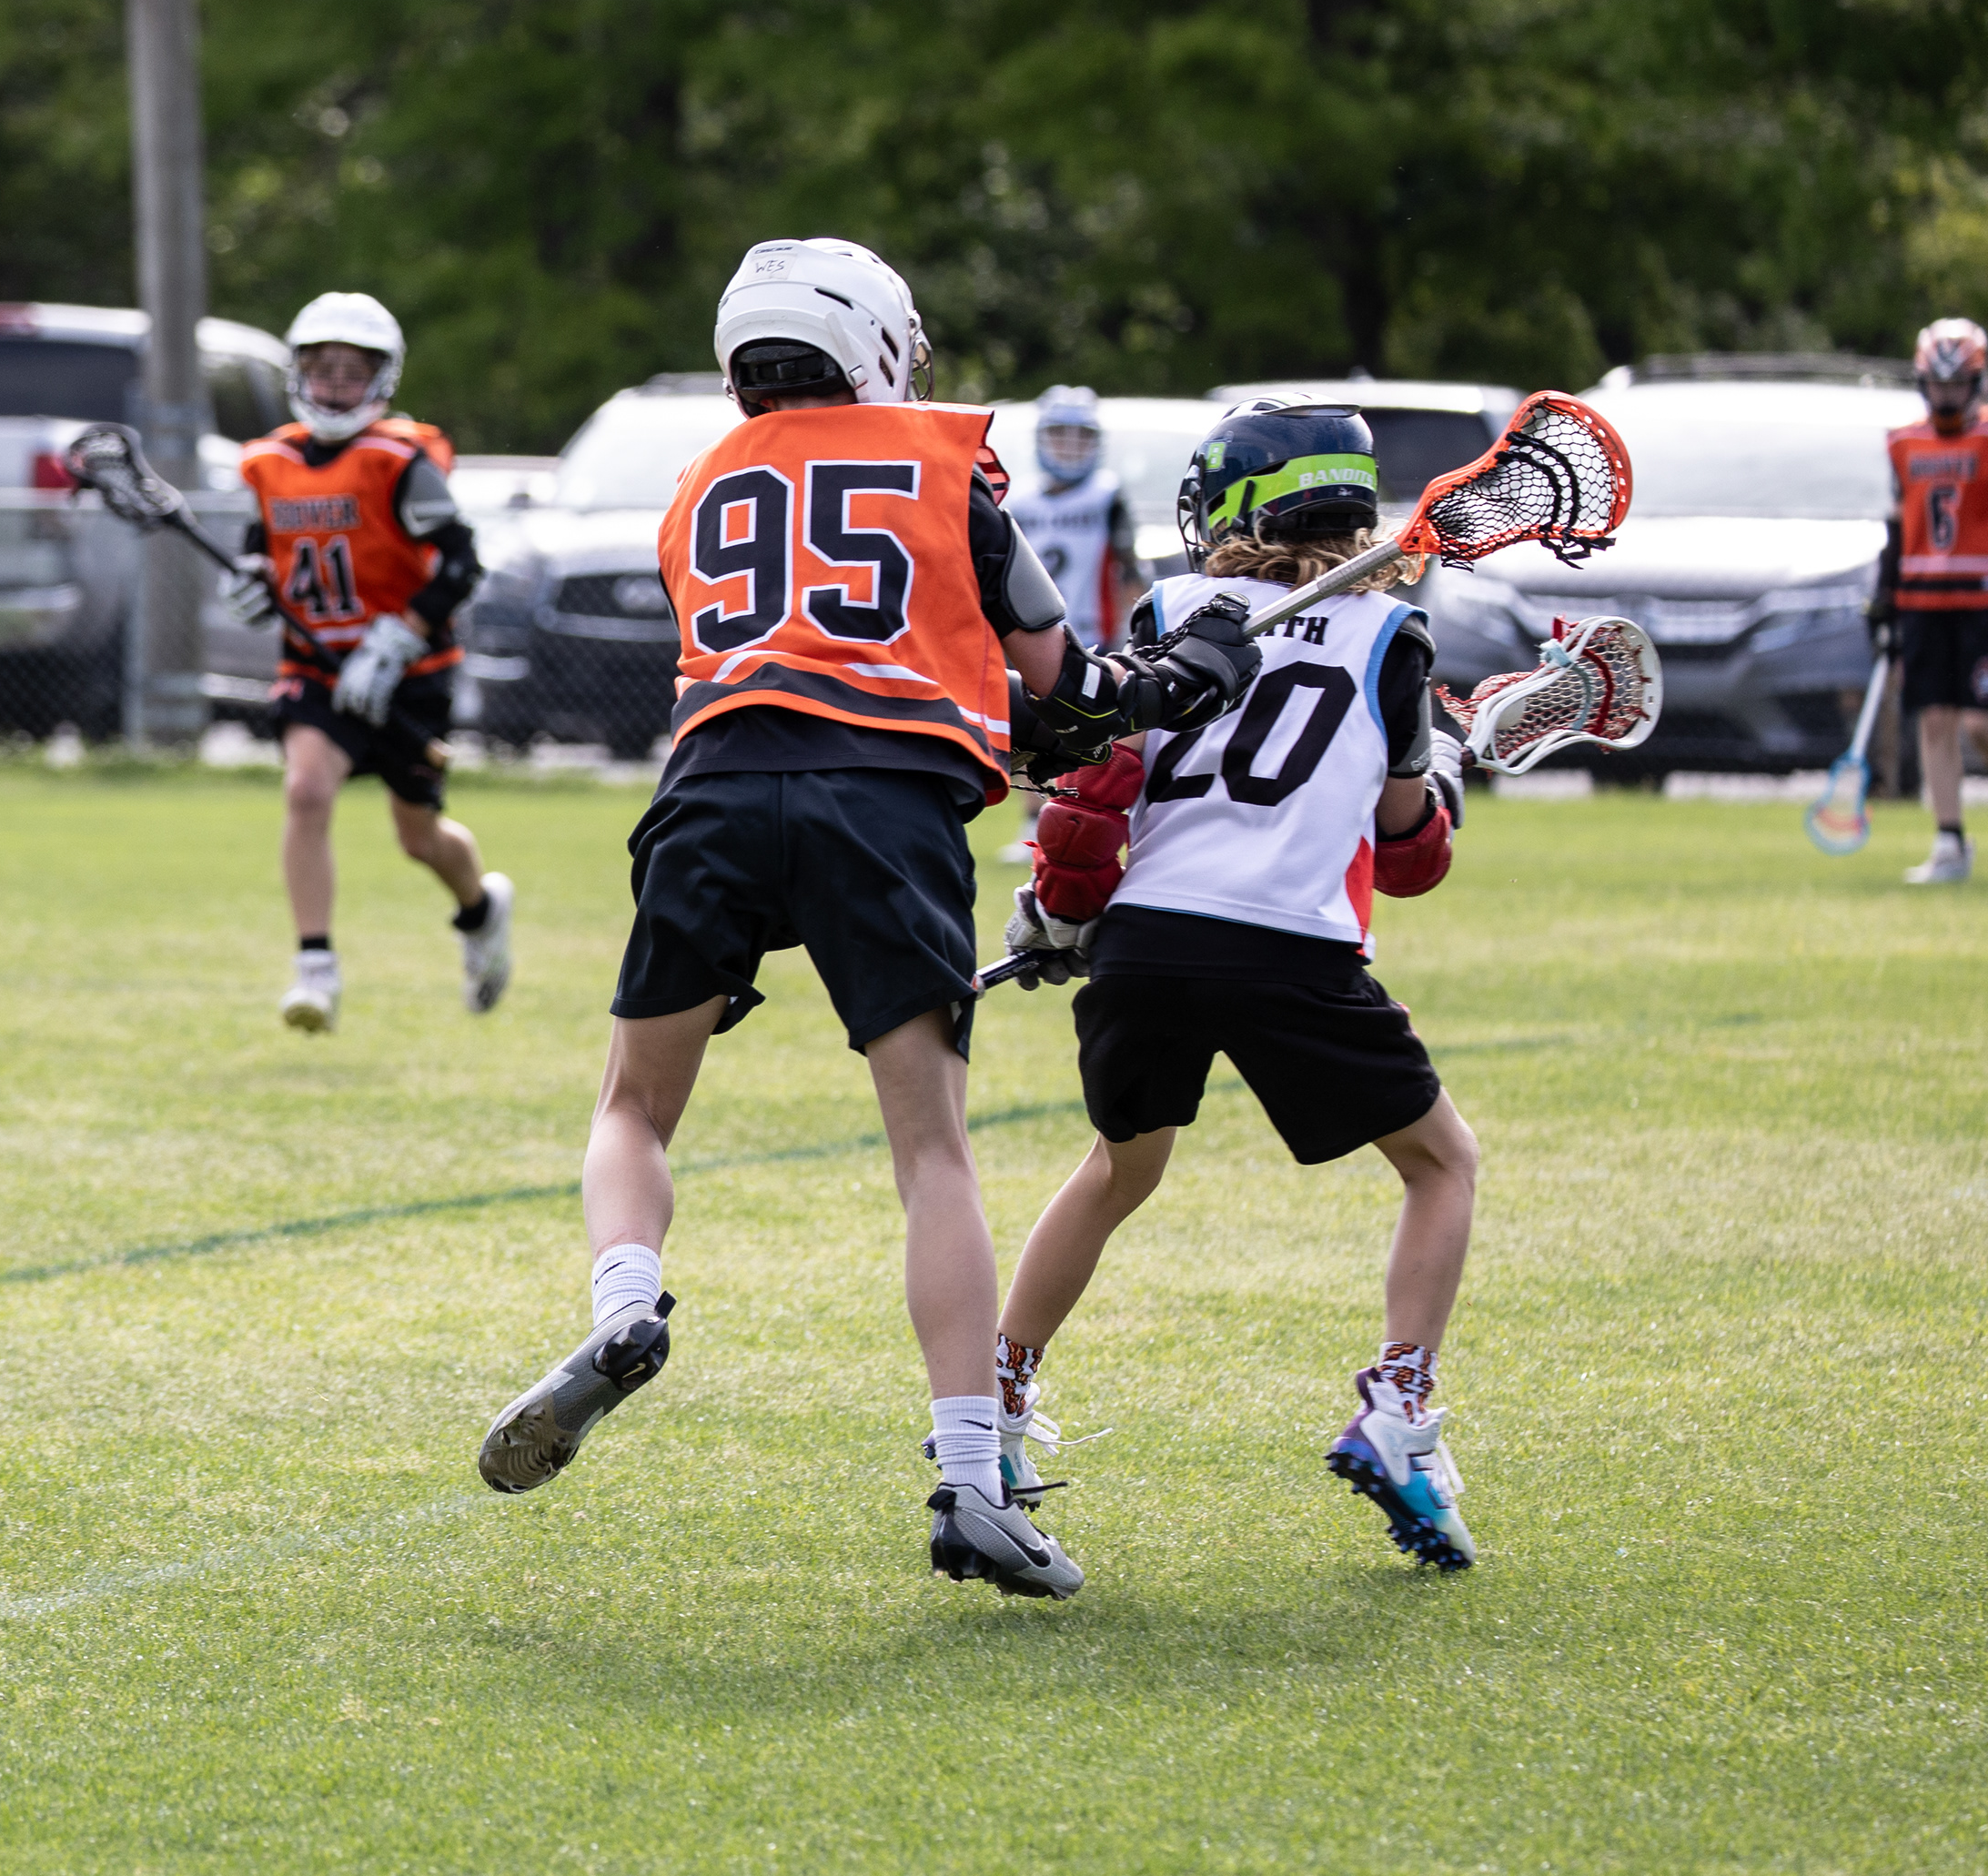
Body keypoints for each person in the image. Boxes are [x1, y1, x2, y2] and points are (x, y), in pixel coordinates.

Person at [471, 237, 1265, 1600]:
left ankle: (625, 1306)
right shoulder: (949, 468)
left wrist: (1104, 699)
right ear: (881, 345)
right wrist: (1182, 675)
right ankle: (970, 1483)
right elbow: (1057, 688)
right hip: (885, 808)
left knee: (634, 1107)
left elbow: (811, 659)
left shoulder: (696, 488)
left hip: (714, 791)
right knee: (931, 1152)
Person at [992, 398, 1484, 1569]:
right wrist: (1438, 790)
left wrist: (1063, 916)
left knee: (1119, 1169)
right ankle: (1400, 1408)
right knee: (1442, 1165)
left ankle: (993, 1403)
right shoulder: (1393, 636)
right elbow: (1407, 857)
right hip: (1290, 951)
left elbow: (1093, 793)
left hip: (1148, 946)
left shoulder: (1169, 613)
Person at [231, 292, 512, 1033]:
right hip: (317, 666)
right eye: (321, 369)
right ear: (298, 372)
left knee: (419, 838)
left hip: (407, 673)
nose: (333, 385)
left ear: (380, 379)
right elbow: (262, 545)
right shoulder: (270, 461)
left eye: (350, 372)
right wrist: (253, 580)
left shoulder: (399, 461)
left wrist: (398, 638)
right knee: (306, 792)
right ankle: (314, 968)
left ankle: (480, 909)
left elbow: (461, 564)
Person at [1873, 318, 1988, 884]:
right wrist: (1884, 600)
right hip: (1922, 600)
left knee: (1979, 724)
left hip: (1980, 602)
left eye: (1957, 384)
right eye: (1939, 384)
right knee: (1936, 719)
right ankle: (1949, 842)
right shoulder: (1903, 442)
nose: (1947, 396)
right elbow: (1899, 526)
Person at [1006, 385, 1143, 649]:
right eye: (1059, 434)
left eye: (1083, 436)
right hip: (1034, 640)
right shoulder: (1020, 501)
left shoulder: (1107, 495)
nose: (1071, 445)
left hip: (1096, 641)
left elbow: (1130, 572)